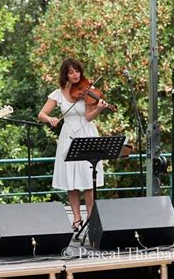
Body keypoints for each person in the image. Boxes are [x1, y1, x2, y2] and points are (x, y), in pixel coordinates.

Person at [38, 58, 108, 232]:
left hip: (87, 133)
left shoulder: (87, 91)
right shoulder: (58, 94)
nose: (75, 75)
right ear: (65, 75)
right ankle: (76, 217)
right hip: (68, 135)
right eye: (71, 72)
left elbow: (88, 117)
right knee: (71, 180)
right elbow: (41, 114)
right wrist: (50, 119)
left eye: (77, 71)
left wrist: (98, 109)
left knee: (88, 176)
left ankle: (91, 216)